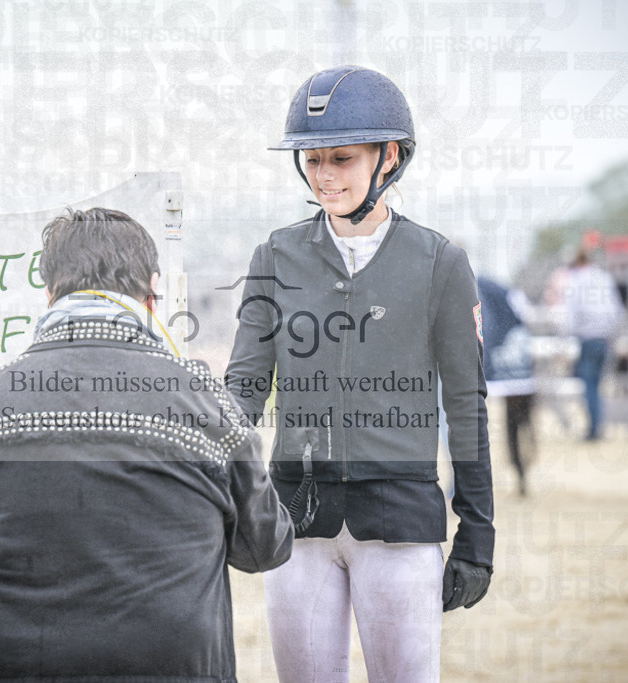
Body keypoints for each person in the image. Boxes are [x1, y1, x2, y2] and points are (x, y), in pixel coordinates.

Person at [0, 207, 294, 682]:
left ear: (49, 295)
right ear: (152, 294)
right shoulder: (207, 409)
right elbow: (263, 548)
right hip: (166, 665)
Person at [226, 66, 494, 682]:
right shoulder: (273, 257)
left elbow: (465, 405)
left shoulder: (441, 262)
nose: (323, 175)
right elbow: (244, 389)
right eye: (312, 159)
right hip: (297, 523)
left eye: (341, 158)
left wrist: (477, 531)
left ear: (389, 157)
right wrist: (216, 485)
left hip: (400, 520)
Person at [475, 276, 537, 495]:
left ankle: (517, 470)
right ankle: (520, 471)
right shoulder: (501, 290)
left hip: (500, 357)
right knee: (519, 422)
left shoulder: (480, 286)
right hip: (518, 358)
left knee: (512, 424)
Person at [562, 247, 624, 441]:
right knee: (597, 385)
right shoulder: (604, 278)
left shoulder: (576, 281)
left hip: (587, 339)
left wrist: (567, 337)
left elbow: (570, 315)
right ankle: (598, 426)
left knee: (589, 386)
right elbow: (617, 311)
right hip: (604, 339)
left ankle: (594, 429)